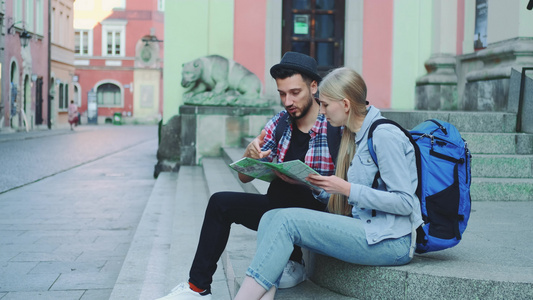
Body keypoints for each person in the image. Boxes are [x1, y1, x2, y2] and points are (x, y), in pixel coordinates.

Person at [156, 52, 339, 300]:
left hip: (313, 217)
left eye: (295, 93)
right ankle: (198, 289)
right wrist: (251, 155)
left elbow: (343, 195)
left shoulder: (333, 127)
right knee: (220, 203)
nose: (288, 101)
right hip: (276, 209)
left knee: (295, 199)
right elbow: (244, 179)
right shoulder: (280, 123)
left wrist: (310, 184)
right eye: (282, 94)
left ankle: (294, 260)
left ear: (314, 86)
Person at [234, 67, 423, 300]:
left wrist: (345, 188)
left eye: (324, 105)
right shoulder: (353, 135)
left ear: (345, 104)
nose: (321, 112)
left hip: (391, 241)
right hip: (367, 228)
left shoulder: (384, 135)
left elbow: (405, 203)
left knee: (286, 220)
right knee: (269, 217)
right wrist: (317, 187)